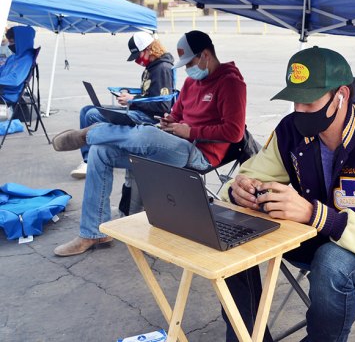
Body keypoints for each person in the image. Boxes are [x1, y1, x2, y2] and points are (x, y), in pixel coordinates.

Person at [220, 46, 355, 341]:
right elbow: (246, 177)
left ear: (341, 95)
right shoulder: (291, 130)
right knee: (229, 233)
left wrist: (315, 214)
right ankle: (248, 337)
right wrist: (240, 191)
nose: (299, 111)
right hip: (310, 236)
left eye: (309, 103)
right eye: (294, 101)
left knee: (330, 263)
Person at [52, 30, 247, 257]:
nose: (187, 69)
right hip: (174, 142)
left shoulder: (231, 83)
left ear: (205, 55)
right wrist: (169, 122)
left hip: (199, 153)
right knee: (100, 151)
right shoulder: (192, 82)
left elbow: (234, 132)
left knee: (144, 134)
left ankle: (90, 134)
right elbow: (176, 113)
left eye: (189, 62)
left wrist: (190, 130)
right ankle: (93, 232)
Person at [70, 31, 174, 179]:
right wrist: (128, 94)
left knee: (92, 115)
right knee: (86, 110)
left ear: (149, 49)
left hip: (149, 118)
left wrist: (132, 99)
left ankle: (90, 160)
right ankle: (88, 156)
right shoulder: (152, 67)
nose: (137, 61)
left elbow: (163, 106)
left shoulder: (162, 69)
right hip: (139, 109)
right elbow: (149, 94)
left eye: (138, 56)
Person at [0, 26, 35, 103]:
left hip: (8, 95)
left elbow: (15, 80)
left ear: (21, 41)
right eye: (9, 42)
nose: (9, 45)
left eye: (12, 42)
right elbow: (2, 70)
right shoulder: (13, 57)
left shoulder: (26, 59)